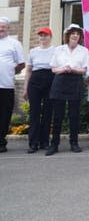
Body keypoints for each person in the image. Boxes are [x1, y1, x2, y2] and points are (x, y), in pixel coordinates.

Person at [47, 24, 89, 155]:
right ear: (68, 35)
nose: (75, 35)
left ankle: (74, 143)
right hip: (60, 81)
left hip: (75, 81)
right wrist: (63, 69)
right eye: (73, 33)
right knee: (58, 116)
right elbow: (53, 68)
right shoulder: (59, 49)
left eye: (78, 34)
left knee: (74, 116)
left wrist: (74, 69)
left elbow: (84, 69)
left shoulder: (84, 50)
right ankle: (54, 145)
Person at [23, 26, 55, 153]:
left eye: (45, 35)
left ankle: (45, 142)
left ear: (50, 37)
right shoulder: (33, 51)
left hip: (50, 80)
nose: (43, 38)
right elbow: (28, 71)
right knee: (34, 113)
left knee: (48, 112)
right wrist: (25, 88)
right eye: (41, 35)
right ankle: (33, 143)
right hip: (35, 81)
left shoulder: (55, 50)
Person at [0, 17, 25, 153]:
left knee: (4, 114)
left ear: (8, 28)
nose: (1, 29)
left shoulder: (14, 43)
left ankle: (1, 142)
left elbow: (21, 63)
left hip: (6, 85)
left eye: (3, 26)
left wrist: (9, 71)